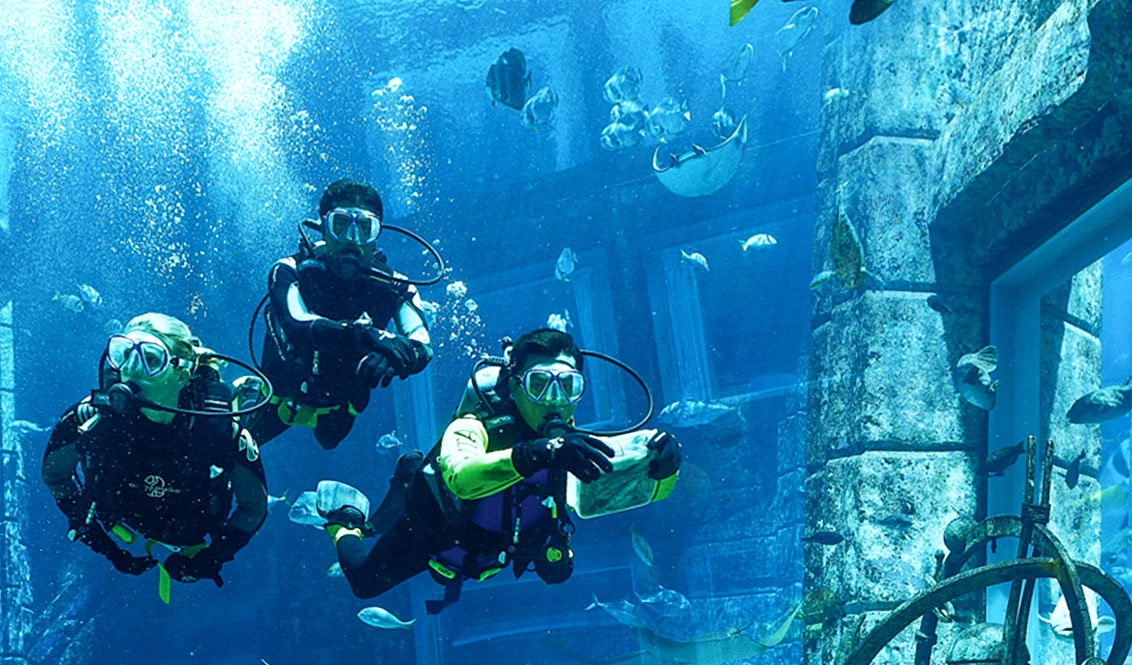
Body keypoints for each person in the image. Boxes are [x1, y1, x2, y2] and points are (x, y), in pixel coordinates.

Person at [309, 327, 682, 608]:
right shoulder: (473, 426)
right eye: (539, 384)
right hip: (434, 534)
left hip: (494, 550)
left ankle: (407, 472)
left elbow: (612, 488)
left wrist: (664, 466)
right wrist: (537, 453)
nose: (554, 401)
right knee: (364, 582)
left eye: (568, 386)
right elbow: (462, 477)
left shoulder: (570, 448)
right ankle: (345, 522)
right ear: (515, 386)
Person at [41, 314, 267, 592]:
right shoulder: (91, 419)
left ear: (181, 374)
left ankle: (243, 393)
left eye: (150, 359)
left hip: (190, 532)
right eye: (123, 353)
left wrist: (212, 556)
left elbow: (254, 506)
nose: (131, 368)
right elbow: (55, 475)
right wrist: (101, 543)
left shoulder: (222, 432)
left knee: (235, 427)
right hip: (123, 523)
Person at [253, 178, 433, 449]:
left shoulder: (396, 286)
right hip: (280, 393)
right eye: (340, 225)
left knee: (329, 441)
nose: (352, 240)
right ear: (323, 228)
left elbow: (423, 345)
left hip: (341, 401)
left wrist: (395, 357)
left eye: (365, 228)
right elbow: (296, 323)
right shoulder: (289, 270)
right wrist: (369, 337)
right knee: (233, 446)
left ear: (377, 235)